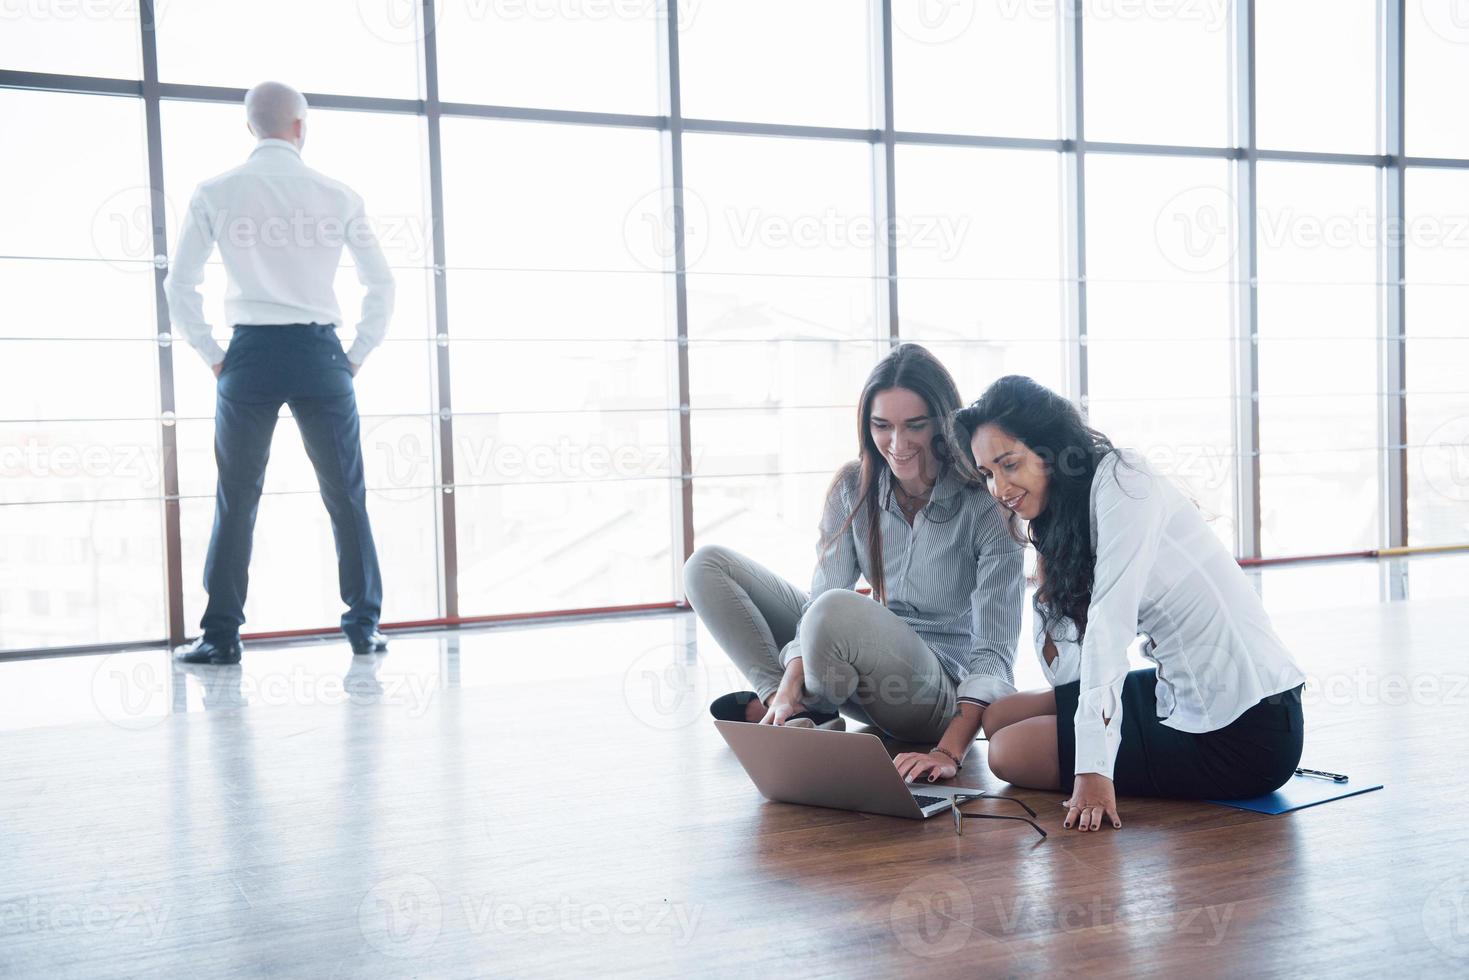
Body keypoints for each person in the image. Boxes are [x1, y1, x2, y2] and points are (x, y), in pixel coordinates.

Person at [958, 376, 1307, 832]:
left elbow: (1108, 628)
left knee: (1008, 752)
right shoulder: (1068, 511)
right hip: (1180, 690)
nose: (999, 488)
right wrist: (1049, 564)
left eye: (1009, 464)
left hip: (1246, 729)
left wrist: (1094, 770)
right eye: (988, 473)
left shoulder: (1125, 482)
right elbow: (1066, 671)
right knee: (999, 715)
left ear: (1050, 449)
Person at [683, 344, 1024, 781]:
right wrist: (786, 686)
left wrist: (950, 751)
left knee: (833, 611)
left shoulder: (987, 504)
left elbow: (994, 653)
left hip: (932, 693)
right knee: (706, 565)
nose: (897, 445)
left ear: (943, 425)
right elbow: (820, 602)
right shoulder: (853, 485)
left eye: (915, 426)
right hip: (846, 668)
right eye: (882, 426)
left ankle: (809, 707)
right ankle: (786, 712)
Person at [164, 81, 395, 664]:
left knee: (236, 498)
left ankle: (221, 637)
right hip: (322, 356)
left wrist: (213, 354)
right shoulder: (337, 194)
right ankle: (363, 628)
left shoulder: (216, 191)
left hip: (249, 357)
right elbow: (381, 284)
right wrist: (356, 353)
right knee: (346, 494)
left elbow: (179, 284)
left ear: (250, 129)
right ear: (301, 127)